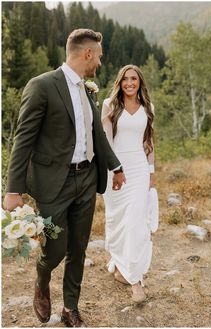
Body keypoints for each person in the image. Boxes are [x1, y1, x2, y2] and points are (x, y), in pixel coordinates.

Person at [3, 28, 126, 327]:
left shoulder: (87, 90)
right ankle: (42, 279)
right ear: (87, 54)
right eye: (97, 56)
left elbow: (96, 134)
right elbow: (23, 139)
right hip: (53, 183)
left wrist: (115, 166)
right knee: (55, 249)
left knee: (78, 248)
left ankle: (71, 307)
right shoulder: (42, 86)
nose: (99, 62)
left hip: (86, 179)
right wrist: (13, 189)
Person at [101, 64, 155, 303]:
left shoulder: (148, 108)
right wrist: (115, 170)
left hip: (140, 169)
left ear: (140, 82)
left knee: (136, 223)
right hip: (116, 170)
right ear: (120, 82)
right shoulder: (110, 106)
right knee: (119, 221)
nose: (130, 83)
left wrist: (151, 172)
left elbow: (149, 142)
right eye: (125, 79)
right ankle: (121, 265)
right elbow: (106, 142)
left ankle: (135, 281)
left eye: (134, 79)